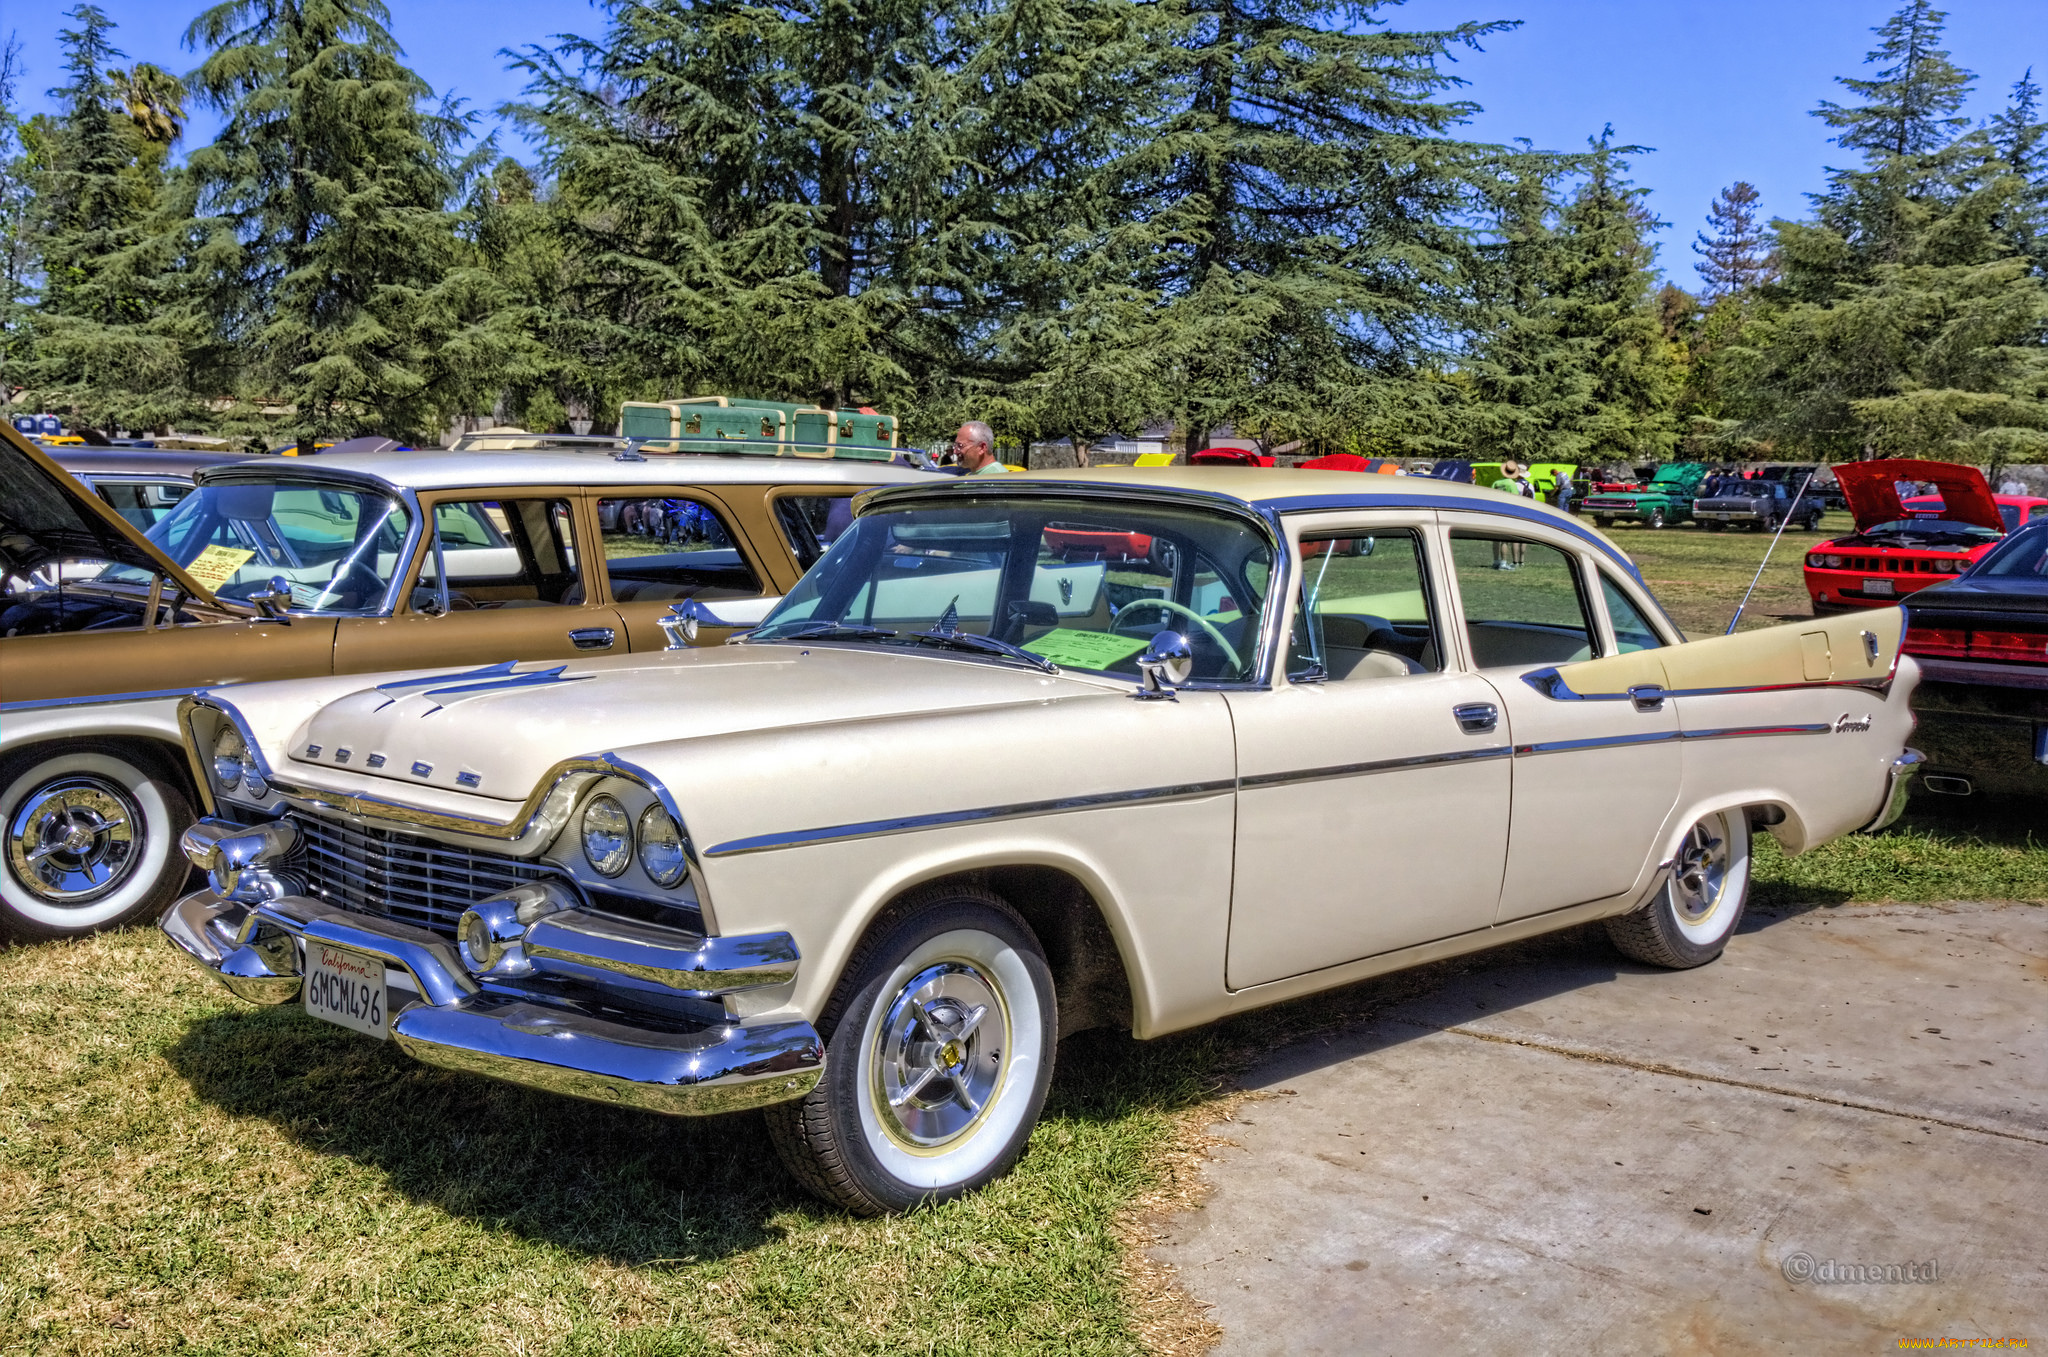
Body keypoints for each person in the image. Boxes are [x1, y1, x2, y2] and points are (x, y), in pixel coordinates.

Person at [1487, 461, 1527, 569]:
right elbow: (1516, 500)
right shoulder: (1511, 484)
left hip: (1496, 512)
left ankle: (1495, 560)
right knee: (1505, 539)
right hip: (1507, 512)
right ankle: (1504, 562)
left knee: (1495, 539)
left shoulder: (1496, 483)